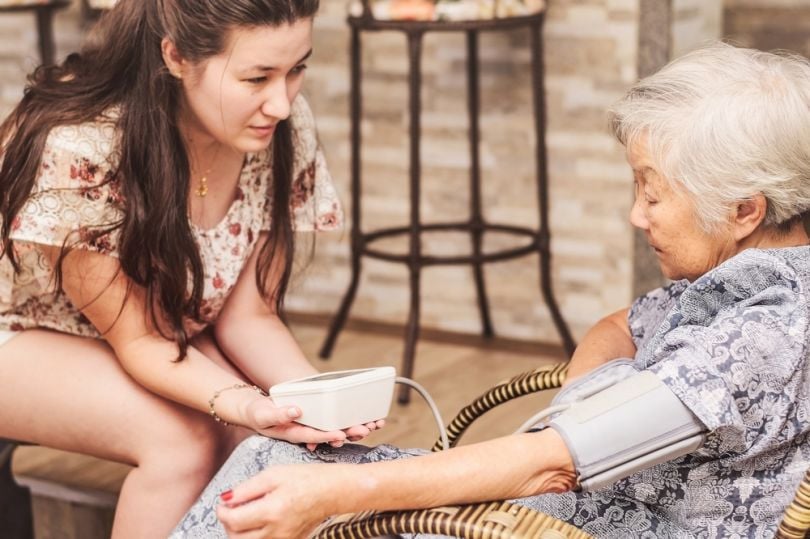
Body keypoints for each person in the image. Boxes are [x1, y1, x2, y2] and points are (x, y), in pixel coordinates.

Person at [172, 42, 810, 539]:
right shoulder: (742, 283)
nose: (637, 215)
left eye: (652, 191)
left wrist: (328, 497)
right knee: (275, 465)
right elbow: (619, 328)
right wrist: (587, 409)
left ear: (745, 210)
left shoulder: (761, 333)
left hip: (576, 525)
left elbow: (546, 465)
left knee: (276, 474)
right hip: (567, 507)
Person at [0, 0, 384, 537]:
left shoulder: (277, 130)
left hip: (156, 329)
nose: (281, 102)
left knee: (257, 437)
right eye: (257, 77)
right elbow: (142, 341)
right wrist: (247, 403)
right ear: (176, 56)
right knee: (184, 441)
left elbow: (249, 318)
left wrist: (319, 402)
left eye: (297, 69)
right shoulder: (84, 147)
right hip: (19, 330)